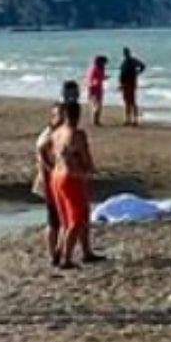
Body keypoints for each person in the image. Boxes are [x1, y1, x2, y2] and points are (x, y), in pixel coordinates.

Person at [50, 101, 105, 268]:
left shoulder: (57, 133)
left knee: (68, 218)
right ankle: (66, 259)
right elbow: (85, 155)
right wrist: (90, 170)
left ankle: (62, 252)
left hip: (56, 176)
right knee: (77, 219)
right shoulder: (77, 134)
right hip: (72, 177)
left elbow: (51, 153)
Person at [33, 102, 65, 265]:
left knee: (59, 220)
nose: (63, 118)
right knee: (54, 221)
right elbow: (41, 153)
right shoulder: (48, 134)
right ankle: (54, 254)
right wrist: (52, 172)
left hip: (56, 181)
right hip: (50, 182)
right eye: (60, 114)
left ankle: (58, 253)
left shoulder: (60, 132)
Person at [118, 48, 148, 127]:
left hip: (130, 83)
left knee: (131, 102)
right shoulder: (126, 62)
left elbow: (143, 66)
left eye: (126, 53)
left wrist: (138, 72)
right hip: (126, 83)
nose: (125, 54)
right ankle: (128, 119)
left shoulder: (132, 61)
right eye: (125, 53)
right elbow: (121, 75)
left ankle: (134, 120)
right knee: (128, 102)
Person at [86, 55, 109, 127]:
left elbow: (91, 78)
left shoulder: (92, 68)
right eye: (104, 62)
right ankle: (96, 121)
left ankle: (95, 120)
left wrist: (103, 77)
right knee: (98, 105)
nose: (105, 64)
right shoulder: (98, 69)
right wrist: (102, 78)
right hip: (96, 88)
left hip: (92, 87)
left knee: (95, 104)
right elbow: (95, 79)